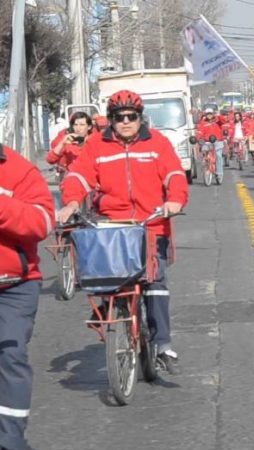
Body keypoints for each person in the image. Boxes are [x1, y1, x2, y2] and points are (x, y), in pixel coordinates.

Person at [57, 89, 189, 375]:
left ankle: (163, 344)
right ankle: (108, 311)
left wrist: (175, 199)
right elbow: (78, 176)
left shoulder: (158, 142)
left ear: (141, 118)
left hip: (151, 225)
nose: (126, 122)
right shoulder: (96, 145)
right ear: (111, 120)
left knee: (155, 284)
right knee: (105, 278)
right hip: (112, 226)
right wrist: (70, 202)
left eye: (132, 117)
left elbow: (174, 174)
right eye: (119, 117)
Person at [0, 143, 54, 450]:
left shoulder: (18, 169)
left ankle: (11, 441)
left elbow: (43, 222)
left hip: (13, 287)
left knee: (10, 356)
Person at [196, 108, 225, 183]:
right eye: (207, 114)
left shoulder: (217, 121)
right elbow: (200, 132)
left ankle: (219, 173)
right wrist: (198, 138)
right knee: (204, 152)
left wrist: (218, 114)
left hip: (218, 141)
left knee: (218, 156)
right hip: (207, 142)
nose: (209, 115)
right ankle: (206, 167)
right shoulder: (203, 123)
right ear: (205, 115)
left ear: (213, 114)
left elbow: (224, 121)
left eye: (210, 114)